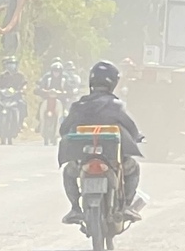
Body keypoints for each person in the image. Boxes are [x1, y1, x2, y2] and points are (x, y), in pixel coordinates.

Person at [58, 59, 144, 222]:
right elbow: (132, 129)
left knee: (69, 172)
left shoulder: (79, 105)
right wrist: (138, 136)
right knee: (133, 168)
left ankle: (75, 209)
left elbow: (64, 130)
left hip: (83, 159)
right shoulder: (117, 105)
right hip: (112, 160)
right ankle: (126, 206)